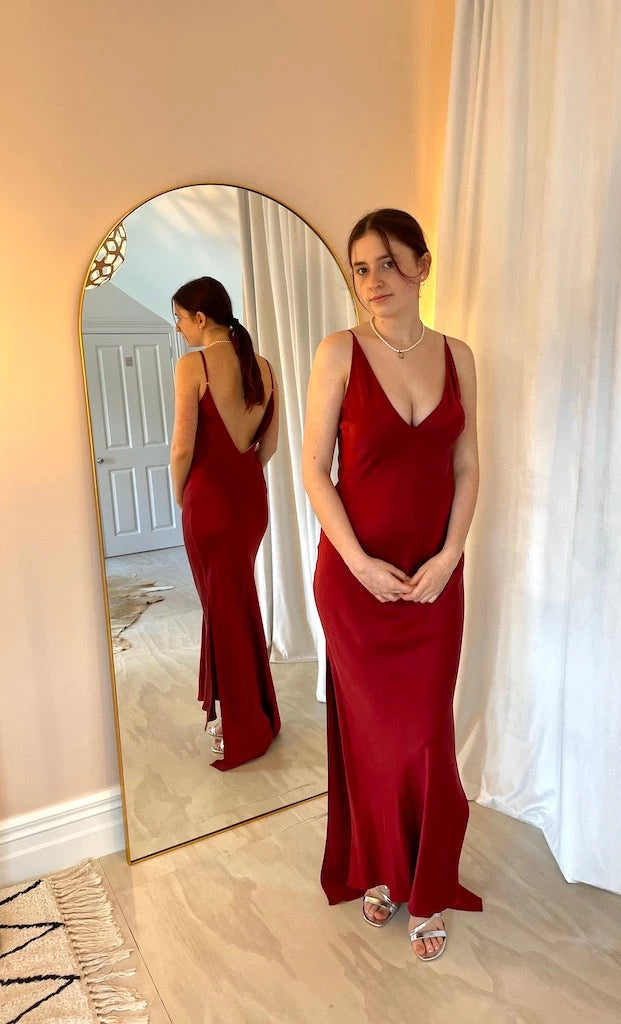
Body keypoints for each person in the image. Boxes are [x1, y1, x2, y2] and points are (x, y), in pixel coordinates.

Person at [302, 210, 483, 961]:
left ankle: (428, 882)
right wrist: (356, 562)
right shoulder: (338, 352)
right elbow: (314, 470)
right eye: (361, 267)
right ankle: (379, 867)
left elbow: (467, 465)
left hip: (435, 579)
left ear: (422, 265)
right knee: (374, 738)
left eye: (387, 262)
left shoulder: (458, 356)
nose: (373, 280)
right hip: (356, 581)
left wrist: (451, 554)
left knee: (426, 736)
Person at [170, 276, 281, 771]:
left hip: (209, 504)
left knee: (223, 611)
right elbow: (269, 447)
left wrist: (183, 496)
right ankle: (255, 713)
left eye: (179, 318)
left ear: (200, 317)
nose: (179, 328)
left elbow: (182, 449)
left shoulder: (192, 366)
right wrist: (239, 479)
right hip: (250, 502)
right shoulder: (264, 366)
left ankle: (241, 725)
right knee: (236, 605)